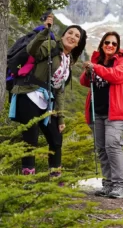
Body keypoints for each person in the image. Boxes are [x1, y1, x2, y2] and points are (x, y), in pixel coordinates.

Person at [9, 14, 87, 178]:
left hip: (47, 102)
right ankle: (28, 180)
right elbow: (32, 50)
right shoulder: (51, 45)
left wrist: (60, 118)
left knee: (56, 139)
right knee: (30, 138)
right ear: (63, 35)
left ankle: (55, 180)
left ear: (78, 43)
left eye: (77, 36)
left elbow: (60, 91)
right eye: (70, 33)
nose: (72, 37)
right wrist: (44, 31)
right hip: (29, 94)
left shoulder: (68, 60)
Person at [80, 31, 123, 199]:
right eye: (107, 42)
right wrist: (88, 72)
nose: (110, 45)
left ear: (117, 47)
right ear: (102, 44)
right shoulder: (96, 60)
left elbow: (116, 76)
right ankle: (108, 184)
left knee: (112, 146)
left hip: (116, 112)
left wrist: (96, 68)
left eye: (114, 44)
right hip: (97, 111)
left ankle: (120, 186)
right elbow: (84, 82)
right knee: (102, 149)